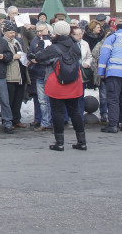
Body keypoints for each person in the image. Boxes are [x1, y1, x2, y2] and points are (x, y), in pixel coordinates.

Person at [37, 21, 87, 151]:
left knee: (57, 112)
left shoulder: (54, 47)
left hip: (57, 82)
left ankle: (59, 143)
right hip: (73, 81)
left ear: (56, 32)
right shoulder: (75, 46)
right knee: (75, 112)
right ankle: (82, 142)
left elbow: (41, 58)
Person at [3, 22, 29, 129]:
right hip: (10, 74)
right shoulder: (3, 42)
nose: (12, 34)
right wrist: (14, 57)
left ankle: (17, 118)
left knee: (18, 99)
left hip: (20, 74)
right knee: (10, 99)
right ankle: (9, 120)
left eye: (13, 32)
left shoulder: (17, 42)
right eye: (10, 32)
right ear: (5, 33)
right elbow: (3, 57)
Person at [28, 22, 52, 130]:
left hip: (50, 73)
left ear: (47, 30)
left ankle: (51, 120)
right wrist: (32, 58)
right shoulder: (35, 41)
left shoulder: (51, 40)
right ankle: (45, 122)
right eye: (37, 31)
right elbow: (30, 53)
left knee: (50, 99)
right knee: (42, 100)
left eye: (41, 31)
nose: (39, 33)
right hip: (38, 73)